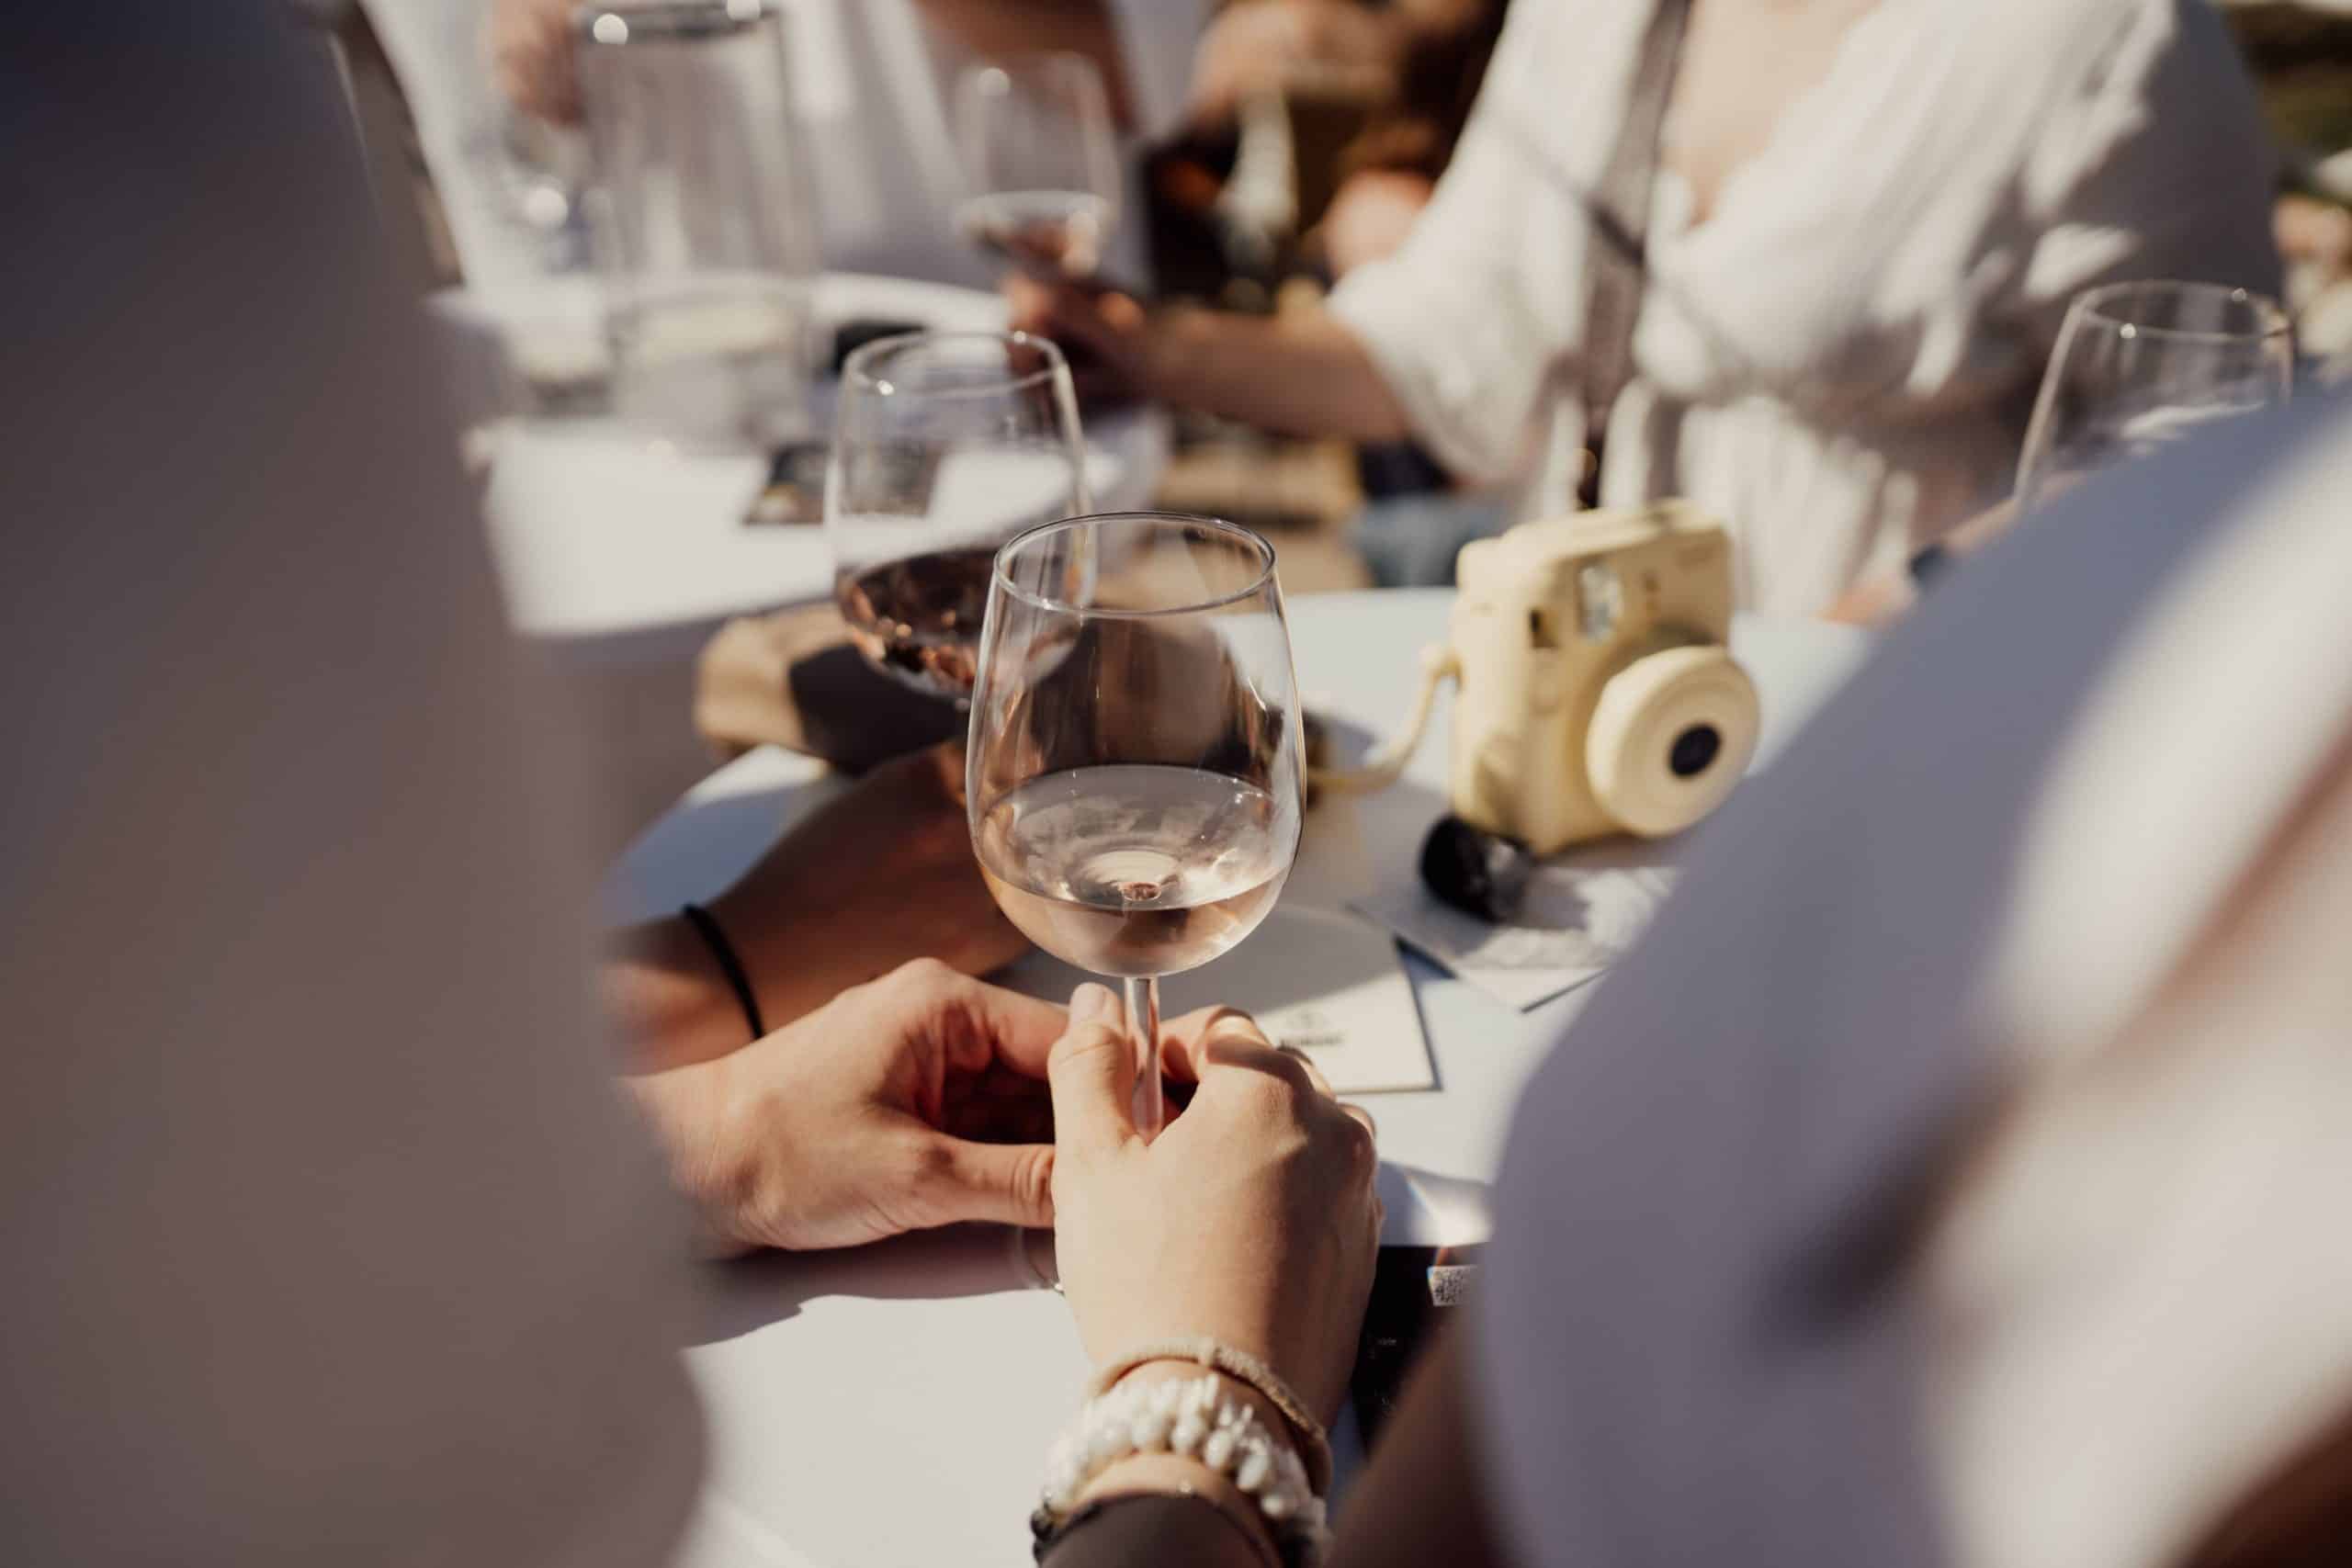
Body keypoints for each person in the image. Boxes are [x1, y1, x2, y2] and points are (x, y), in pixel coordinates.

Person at [1015, 0, 2282, 615]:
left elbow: (2194, 459)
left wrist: (1863, 646)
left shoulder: (2101, 35)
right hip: (1575, 708)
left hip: (1894, 728)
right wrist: (1145, 346)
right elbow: (1443, 341)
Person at [487, 0, 1209, 288]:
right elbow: (540, 71)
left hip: (1009, 355)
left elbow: (1150, 79)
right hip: (723, 354)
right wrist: (546, 51)